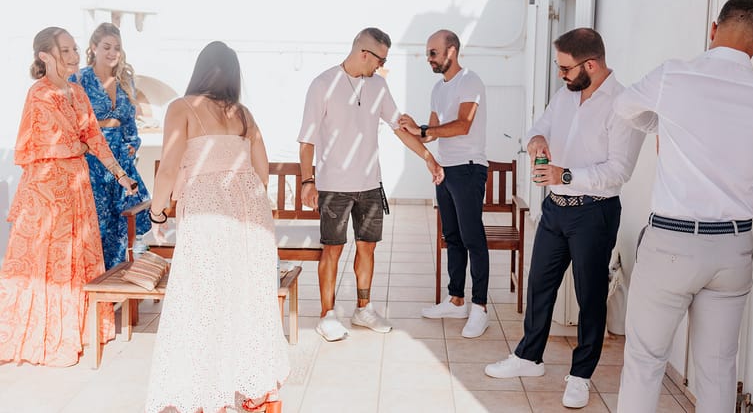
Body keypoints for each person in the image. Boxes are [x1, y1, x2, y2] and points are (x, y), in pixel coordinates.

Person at [614, 0, 753, 413]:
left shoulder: (675, 76)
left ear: (713, 28)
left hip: (672, 243)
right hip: (733, 247)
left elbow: (624, 108)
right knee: (718, 370)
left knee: (645, 361)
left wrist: (659, 122)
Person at [483, 28, 644, 409]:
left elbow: (618, 171)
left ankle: (581, 375)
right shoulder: (565, 95)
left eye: (565, 68)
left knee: (590, 296)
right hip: (556, 208)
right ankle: (528, 358)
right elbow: (539, 128)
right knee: (539, 286)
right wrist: (537, 140)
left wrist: (564, 175)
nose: (561, 75)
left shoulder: (624, 104)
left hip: (595, 212)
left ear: (591, 64)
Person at [144, 41, 289, 412]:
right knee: (250, 297)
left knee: (205, 298)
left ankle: (209, 392)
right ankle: (254, 390)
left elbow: (170, 165)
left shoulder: (182, 107)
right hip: (251, 209)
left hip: (209, 209)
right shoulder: (244, 114)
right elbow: (261, 168)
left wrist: (158, 213)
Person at [0, 26, 137, 367]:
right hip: (46, 191)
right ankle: (41, 336)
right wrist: (78, 145)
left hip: (76, 185)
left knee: (77, 258)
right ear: (45, 56)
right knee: (49, 262)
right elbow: (51, 142)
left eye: (75, 49)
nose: (75, 56)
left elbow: (93, 136)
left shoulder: (78, 92)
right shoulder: (40, 93)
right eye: (66, 50)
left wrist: (121, 174)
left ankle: (75, 330)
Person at [298, 27, 444, 342]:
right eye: (380, 59)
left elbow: (399, 127)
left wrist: (428, 157)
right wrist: (308, 180)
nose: (381, 66)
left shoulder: (378, 86)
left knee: (368, 247)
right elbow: (307, 140)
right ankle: (328, 314)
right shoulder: (323, 84)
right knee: (333, 250)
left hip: (370, 185)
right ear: (365, 53)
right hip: (333, 186)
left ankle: (363, 309)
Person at [398, 29, 492, 339]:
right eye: (428, 53)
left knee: (472, 237)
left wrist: (425, 128)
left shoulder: (471, 81)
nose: (429, 59)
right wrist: (413, 128)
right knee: (452, 236)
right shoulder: (438, 89)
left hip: (468, 169)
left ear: (451, 51)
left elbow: (464, 125)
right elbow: (433, 132)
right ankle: (456, 300)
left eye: (433, 53)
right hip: (445, 171)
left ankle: (479, 308)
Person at [71, 23, 151, 270]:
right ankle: (94, 284)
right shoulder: (79, 79)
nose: (112, 52)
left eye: (117, 48)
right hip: (92, 162)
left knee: (121, 225)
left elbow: (129, 122)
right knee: (96, 225)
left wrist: (131, 146)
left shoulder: (126, 80)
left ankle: (116, 286)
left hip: (121, 161)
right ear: (93, 48)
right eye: (106, 47)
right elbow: (72, 121)